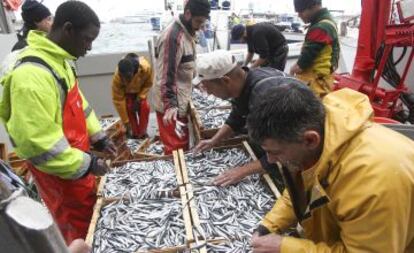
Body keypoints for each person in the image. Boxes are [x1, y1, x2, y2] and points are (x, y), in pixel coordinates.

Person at [247, 82, 414, 252]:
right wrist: (269, 225)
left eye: (275, 152)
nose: (270, 159)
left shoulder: (372, 183)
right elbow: (304, 189)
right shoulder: (320, 139)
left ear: (310, 140)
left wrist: (285, 247)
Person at [0, 0, 116, 245]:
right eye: (87, 39)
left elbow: (77, 103)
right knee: (78, 231)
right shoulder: (31, 78)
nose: (89, 47)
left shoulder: (59, 60)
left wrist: (99, 136)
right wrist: (88, 164)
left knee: (91, 220)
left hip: (76, 163)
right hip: (60, 177)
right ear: (68, 29)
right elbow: (39, 147)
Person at [193, 50, 285, 190]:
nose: (208, 93)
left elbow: (283, 150)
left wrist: (241, 171)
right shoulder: (246, 81)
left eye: (208, 87)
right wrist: (214, 140)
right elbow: (237, 117)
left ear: (225, 81)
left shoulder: (265, 99)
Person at [149, 0, 210, 155]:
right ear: (188, 13)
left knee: (182, 143)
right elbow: (165, 76)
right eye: (198, 22)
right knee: (175, 149)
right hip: (171, 105)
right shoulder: (174, 37)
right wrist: (170, 106)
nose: (200, 27)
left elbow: (185, 65)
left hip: (181, 98)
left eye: (203, 23)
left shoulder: (189, 31)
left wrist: (196, 82)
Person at [289, 0, 340, 98]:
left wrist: (291, 72)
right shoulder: (328, 22)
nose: (299, 15)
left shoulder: (321, 27)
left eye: (301, 11)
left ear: (314, 6)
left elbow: (300, 66)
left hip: (315, 85)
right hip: (324, 80)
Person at [112, 53, 153, 139]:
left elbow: (148, 84)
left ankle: (142, 133)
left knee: (144, 106)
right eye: (122, 78)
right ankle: (133, 133)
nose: (125, 81)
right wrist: (126, 123)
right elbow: (118, 100)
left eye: (127, 78)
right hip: (127, 94)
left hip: (140, 92)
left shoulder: (146, 68)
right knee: (129, 106)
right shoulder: (117, 78)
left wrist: (139, 99)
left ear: (134, 72)